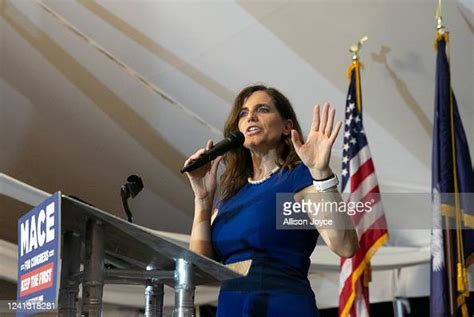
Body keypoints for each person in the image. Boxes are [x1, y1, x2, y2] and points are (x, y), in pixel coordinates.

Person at [184, 85, 359, 316]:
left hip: (281, 306)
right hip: (232, 308)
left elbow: (345, 245)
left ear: (287, 126)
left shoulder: (297, 178)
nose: (251, 117)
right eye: (243, 113)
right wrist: (203, 200)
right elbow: (199, 269)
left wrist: (321, 173)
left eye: (262, 109)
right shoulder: (233, 195)